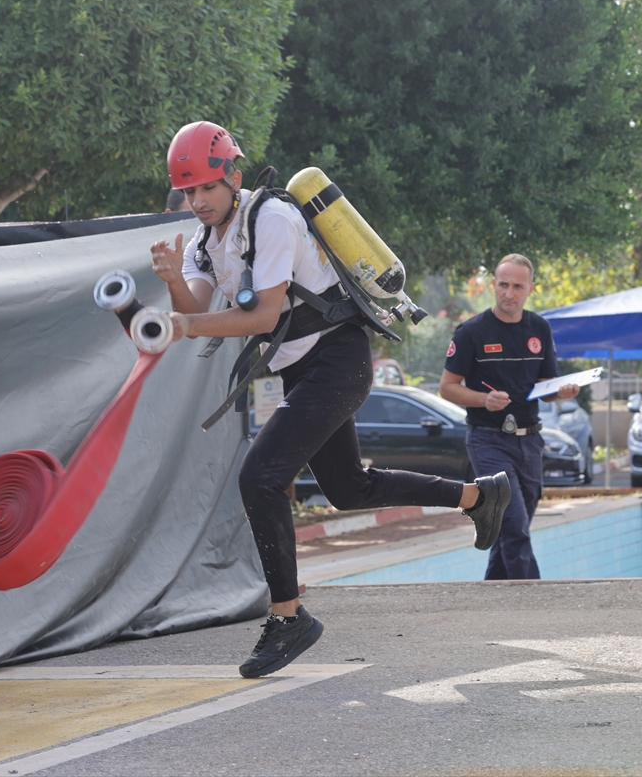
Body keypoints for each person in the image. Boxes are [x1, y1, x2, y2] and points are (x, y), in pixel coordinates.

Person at [149, 121, 511, 678]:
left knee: (258, 476)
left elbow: (264, 314)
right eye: (188, 190)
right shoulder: (204, 242)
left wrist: (186, 324)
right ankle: (477, 497)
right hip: (302, 369)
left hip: (337, 358)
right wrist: (175, 280)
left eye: (205, 188)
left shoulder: (270, 218)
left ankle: (288, 617)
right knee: (347, 487)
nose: (196, 201)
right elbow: (193, 307)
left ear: (233, 177)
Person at [439, 254, 579, 581]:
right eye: (503, 285)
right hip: (488, 440)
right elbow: (447, 387)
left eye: (518, 286)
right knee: (514, 524)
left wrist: (564, 391)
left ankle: (495, 595)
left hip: (530, 441)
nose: (509, 293)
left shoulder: (539, 328)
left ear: (531, 288)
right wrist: (483, 400)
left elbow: (546, 386)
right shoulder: (472, 331)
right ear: (493, 285)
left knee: (513, 524)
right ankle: (533, 600)